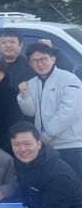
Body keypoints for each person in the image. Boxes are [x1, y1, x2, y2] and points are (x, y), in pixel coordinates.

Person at [17, 42, 82, 179]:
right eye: (34, 61)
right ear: (30, 64)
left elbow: (69, 112)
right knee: (53, 183)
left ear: (53, 59)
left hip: (70, 145)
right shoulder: (32, 83)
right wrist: (24, 96)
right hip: (46, 148)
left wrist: (46, 135)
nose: (39, 64)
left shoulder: (69, 79)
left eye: (43, 59)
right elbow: (30, 112)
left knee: (74, 183)